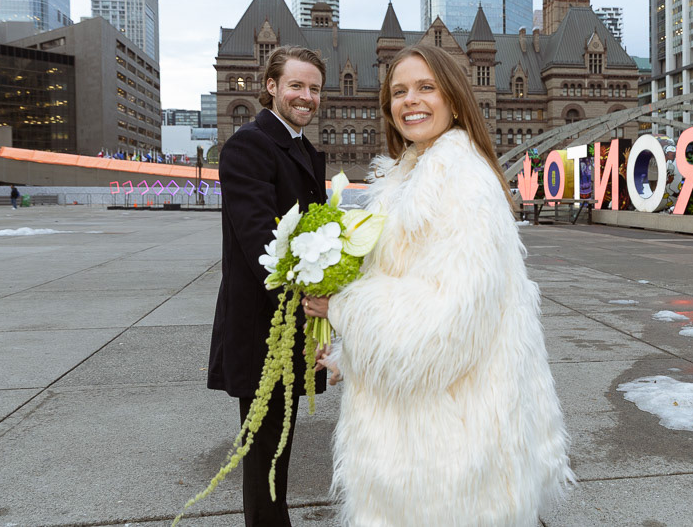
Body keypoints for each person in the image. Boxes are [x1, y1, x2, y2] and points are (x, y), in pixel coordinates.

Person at [305, 45, 573, 526]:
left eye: (426, 87)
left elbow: (449, 320)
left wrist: (342, 307)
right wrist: (349, 355)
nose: (411, 101)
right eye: (399, 91)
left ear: (453, 96)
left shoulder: (461, 181)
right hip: (424, 431)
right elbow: (408, 281)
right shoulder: (412, 173)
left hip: (449, 447)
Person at [207, 45, 328, 526]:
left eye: (314, 88)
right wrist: (311, 292)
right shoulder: (249, 145)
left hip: (292, 320)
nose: (306, 96)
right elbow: (261, 239)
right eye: (296, 86)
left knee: (279, 445)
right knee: (264, 455)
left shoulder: (299, 145)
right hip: (264, 325)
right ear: (272, 86)